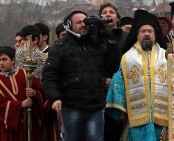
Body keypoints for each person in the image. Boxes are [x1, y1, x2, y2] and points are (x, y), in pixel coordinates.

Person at [42, 10, 121, 141]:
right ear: (68, 25)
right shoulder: (59, 47)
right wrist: (54, 98)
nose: (83, 25)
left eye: (85, 22)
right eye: (78, 22)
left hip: (96, 106)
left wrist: (113, 44)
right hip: (70, 106)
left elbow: (112, 67)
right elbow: (49, 75)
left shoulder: (98, 44)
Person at [106, 11, 168, 141]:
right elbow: (118, 84)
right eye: (143, 31)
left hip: (162, 115)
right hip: (135, 116)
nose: (146, 34)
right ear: (137, 35)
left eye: (150, 31)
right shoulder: (127, 57)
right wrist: (122, 110)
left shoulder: (166, 56)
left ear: (155, 35)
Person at [0, 46, 44, 141]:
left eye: (4, 59)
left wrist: (35, 94)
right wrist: (20, 105)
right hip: (9, 126)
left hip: (29, 122)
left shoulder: (26, 74)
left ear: (13, 60)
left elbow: (41, 92)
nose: (1, 63)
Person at [98, 3, 128, 141]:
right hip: (99, 92)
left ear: (117, 18)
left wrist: (115, 80)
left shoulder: (127, 37)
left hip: (122, 92)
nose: (108, 14)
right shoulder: (95, 38)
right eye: (104, 12)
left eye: (111, 12)